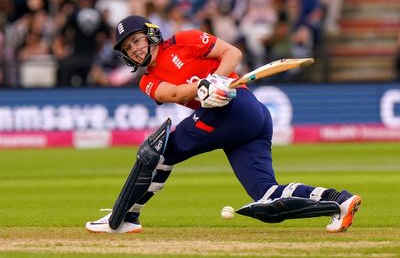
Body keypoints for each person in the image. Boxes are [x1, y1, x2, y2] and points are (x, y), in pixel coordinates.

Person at [85, 15, 361, 234]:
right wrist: (202, 89)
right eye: (128, 47)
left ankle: (125, 217)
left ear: (150, 33)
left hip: (236, 107)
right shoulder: (147, 80)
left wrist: (216, 79)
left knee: (160, 152)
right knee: (266, 195)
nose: (134, 49)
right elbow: (174, 94)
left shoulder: (184, 39)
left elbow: (232, 53)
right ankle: (339, 200)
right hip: (235, 121)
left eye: (136, 40)